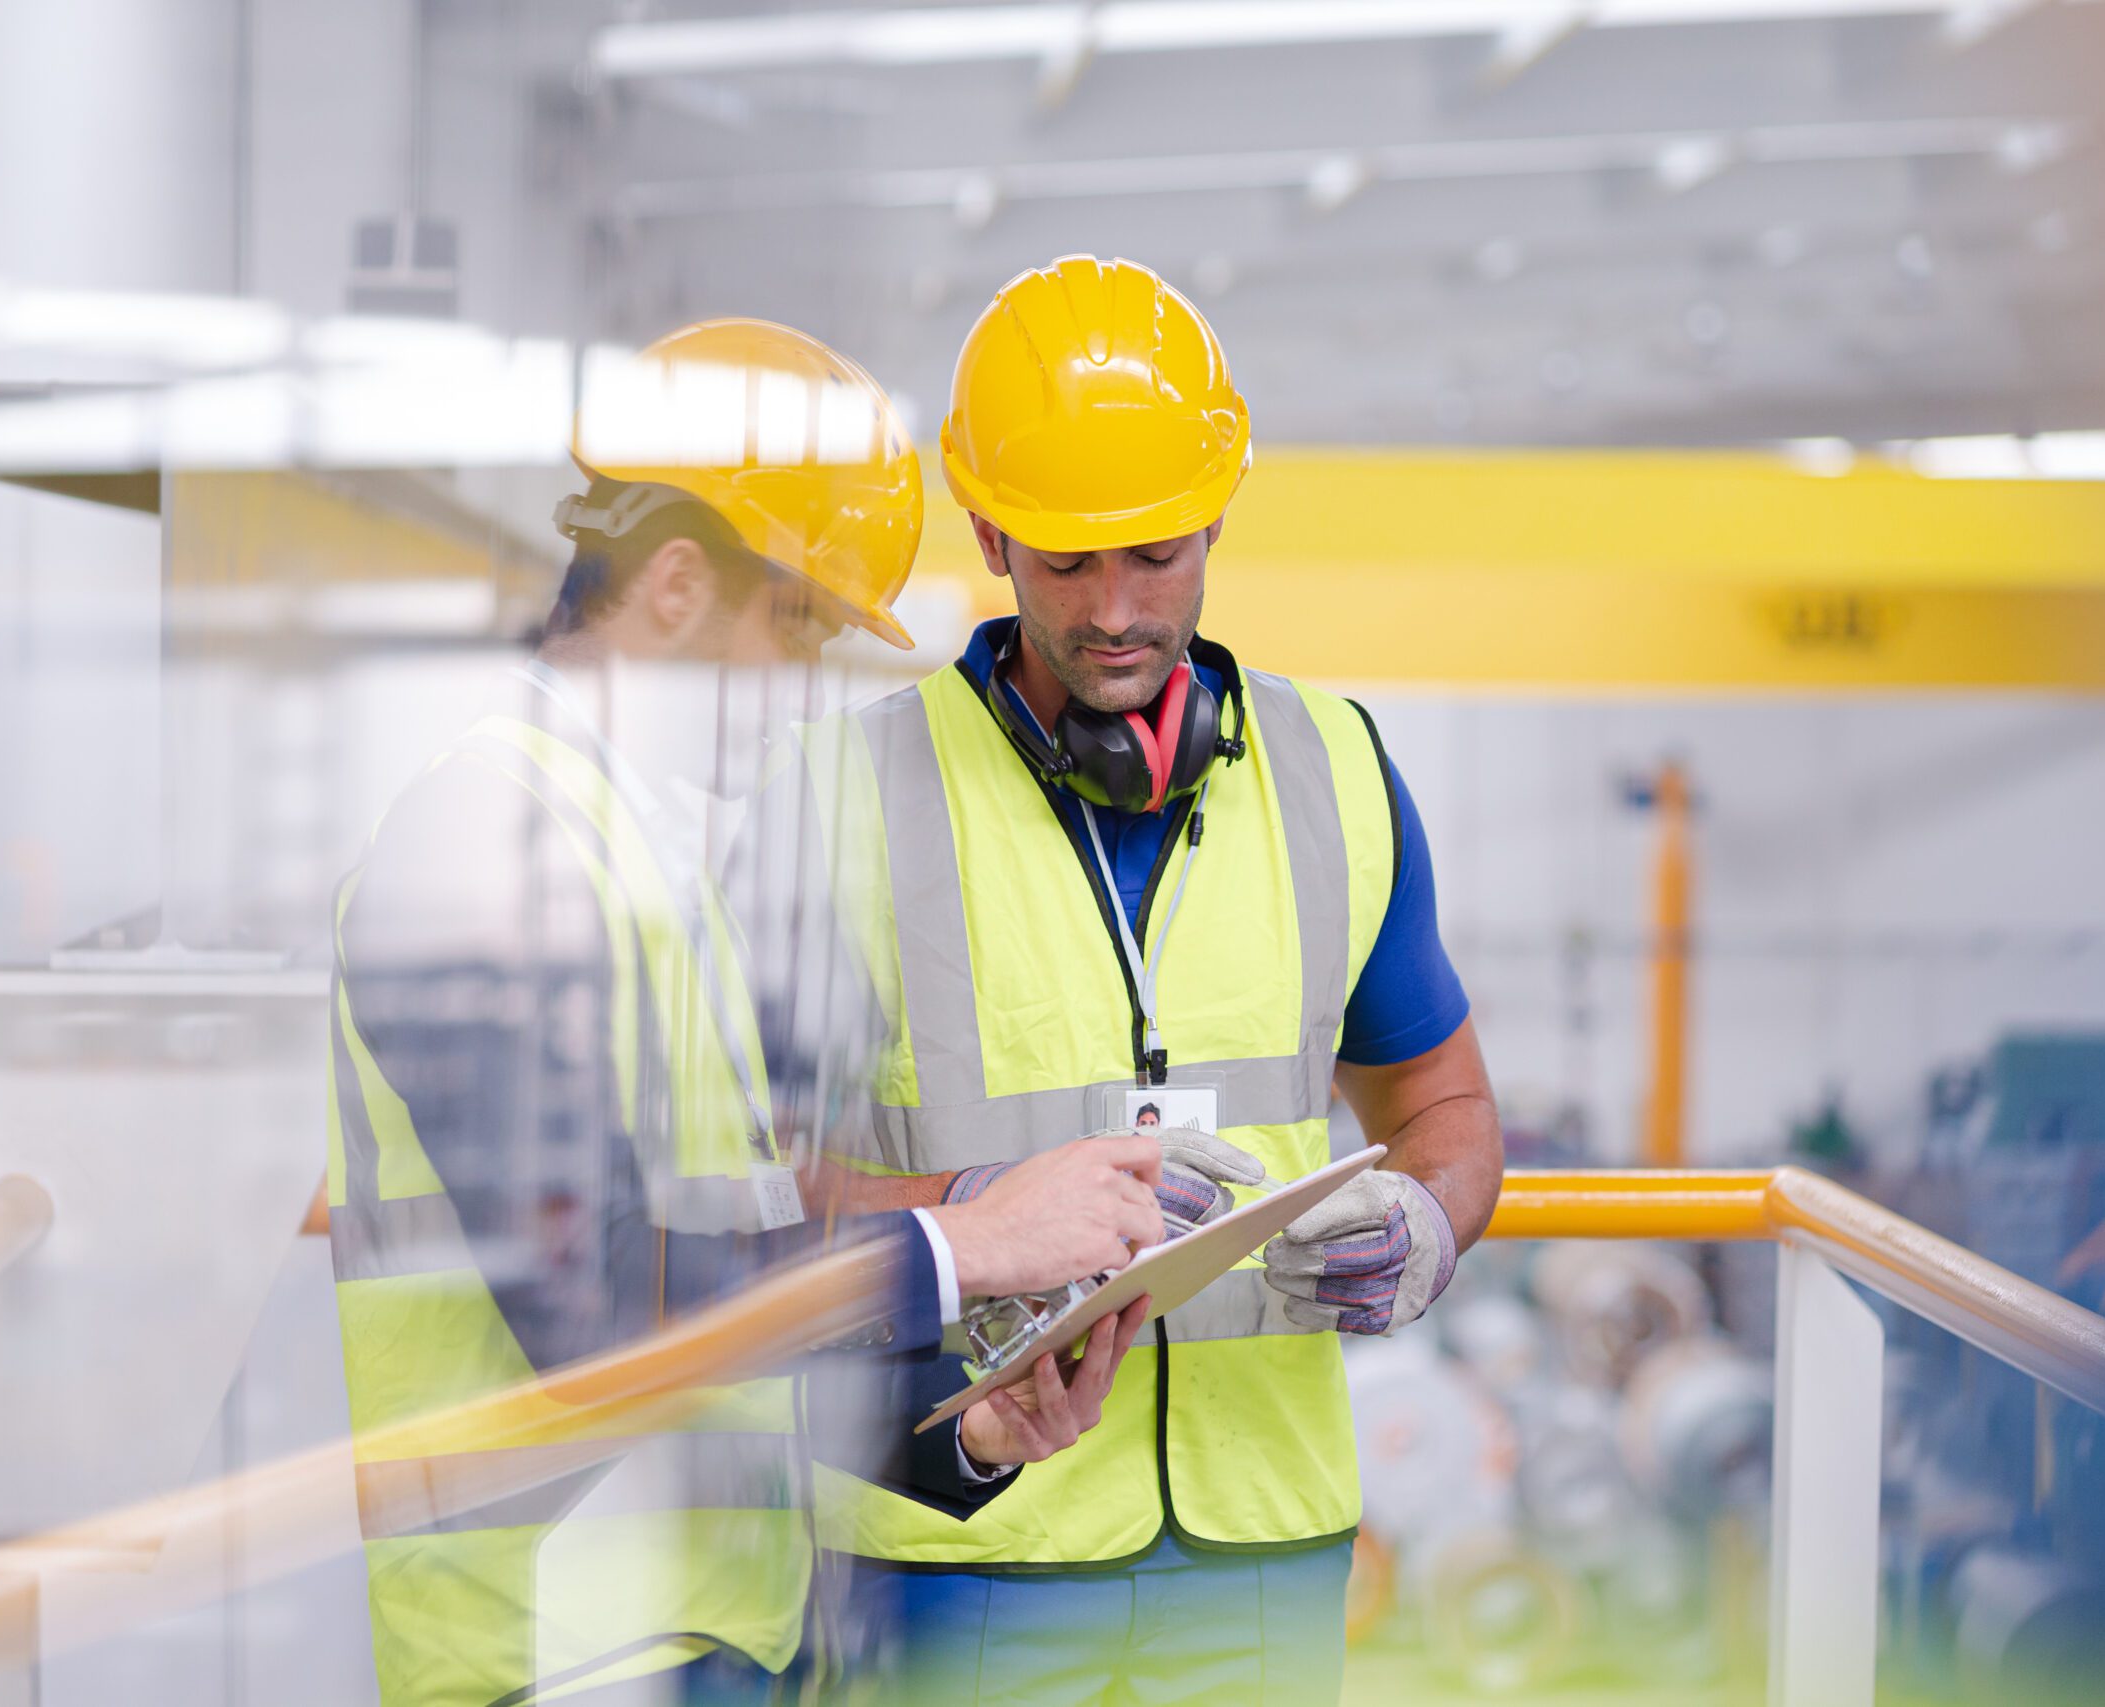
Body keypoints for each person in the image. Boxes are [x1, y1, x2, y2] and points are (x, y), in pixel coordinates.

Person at [322, 319, 1158, 1707]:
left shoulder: (653, 873)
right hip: (551, 1650)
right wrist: (961, 1245)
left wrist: (966, 1435)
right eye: (800, 622)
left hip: (702, 1636)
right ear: (670, 585)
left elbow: (733, 1309)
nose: (803, 684)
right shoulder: (484, 839)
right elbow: (592, 1309)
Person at [815, 257, 1504, 1705]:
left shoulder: (1339, 776)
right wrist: (974, 1218)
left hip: (1268, 1540)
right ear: (989, 532)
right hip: (971, 1539)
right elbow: (742, 1181)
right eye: (1068, 562)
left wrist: (1428, 1226)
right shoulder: (844, 797)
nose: (1117, 610)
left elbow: (1442, 1098)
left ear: (1217, 518)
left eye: (1159, 555)